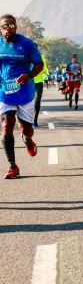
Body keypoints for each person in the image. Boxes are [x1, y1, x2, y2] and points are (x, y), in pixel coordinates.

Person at [0, 14, 43, 179]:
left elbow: (39, 64)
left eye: (11, 25)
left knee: (26, 130)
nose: (8, 28)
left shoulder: (26, 44)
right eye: (4, 26)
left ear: (16, 27)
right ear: (1, 28)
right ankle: (13, 166)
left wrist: (29, 75)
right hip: (5, 93)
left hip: (25, 93)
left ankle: (27, 139)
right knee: (6, 126)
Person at [33, 52, 49, 127]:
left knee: (37, 101)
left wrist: (45, 72)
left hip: (39, 82)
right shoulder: (26, 55)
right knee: (27, 103)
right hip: (29, 83)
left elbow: (44, 68)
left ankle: (35, 121)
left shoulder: (41, 57)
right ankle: (27, 121)